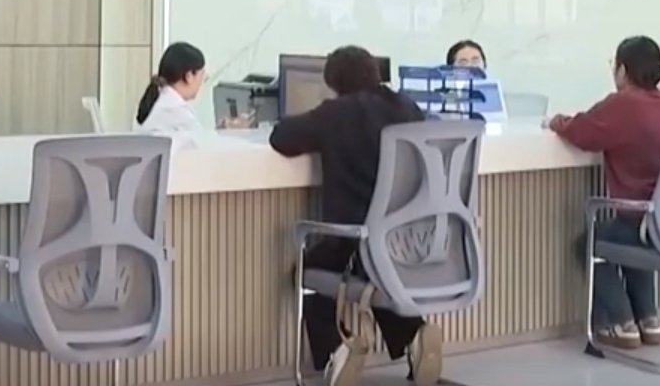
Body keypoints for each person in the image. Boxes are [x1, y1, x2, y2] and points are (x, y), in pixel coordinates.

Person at [268, 46, 441, 386]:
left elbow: (282, 138)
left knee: (309, 271)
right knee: (372, 276)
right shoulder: (407, 107)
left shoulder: (336, 114)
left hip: (353, 236)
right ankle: (413, 335)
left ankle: (338, 351)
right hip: (405, 238)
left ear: (333, 83)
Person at [549, 35, 660, 350]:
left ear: (622, 69)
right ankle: (648, 320)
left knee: (591, 242)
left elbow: (582, 131)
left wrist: (556, 121)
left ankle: (621, 322)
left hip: (639, 218)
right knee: (630, 237)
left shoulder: (622, 104)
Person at [136, 42, 250, 138]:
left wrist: (223, 129)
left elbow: (199, 139)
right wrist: (231, 131)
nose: (204, 79)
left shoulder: (162, 98)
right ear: (189, 76)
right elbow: (204, 146)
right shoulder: (174, 109)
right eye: (202, 74)